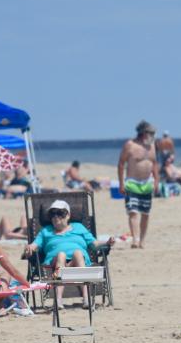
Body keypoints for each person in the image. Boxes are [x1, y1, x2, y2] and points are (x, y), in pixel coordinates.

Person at [25, 200, 114, 308]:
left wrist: (107, 242)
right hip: (54, 263)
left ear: (68, 215)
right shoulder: (46, 231)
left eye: (60, 213)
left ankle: (86, 299)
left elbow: (94, 244)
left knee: (77, 253)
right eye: (52, 214)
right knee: (61, 254)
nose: (55, 217)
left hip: (77, 262)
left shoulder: (79, 227)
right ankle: (58, 300)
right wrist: (30, 247)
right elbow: (35, 245)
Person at [118, 121, 159, 249]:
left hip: (147, 184)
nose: (153, 135)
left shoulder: (152, 146)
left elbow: (154, 163)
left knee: (145, 214)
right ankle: (135, 239)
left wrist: (157, 180)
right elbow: (121, 163)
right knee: (133, 212)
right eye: (151, 133)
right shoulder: (130, 145)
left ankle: (142, 240)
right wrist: (121, 183)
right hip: (132, 183)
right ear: (143, 133)